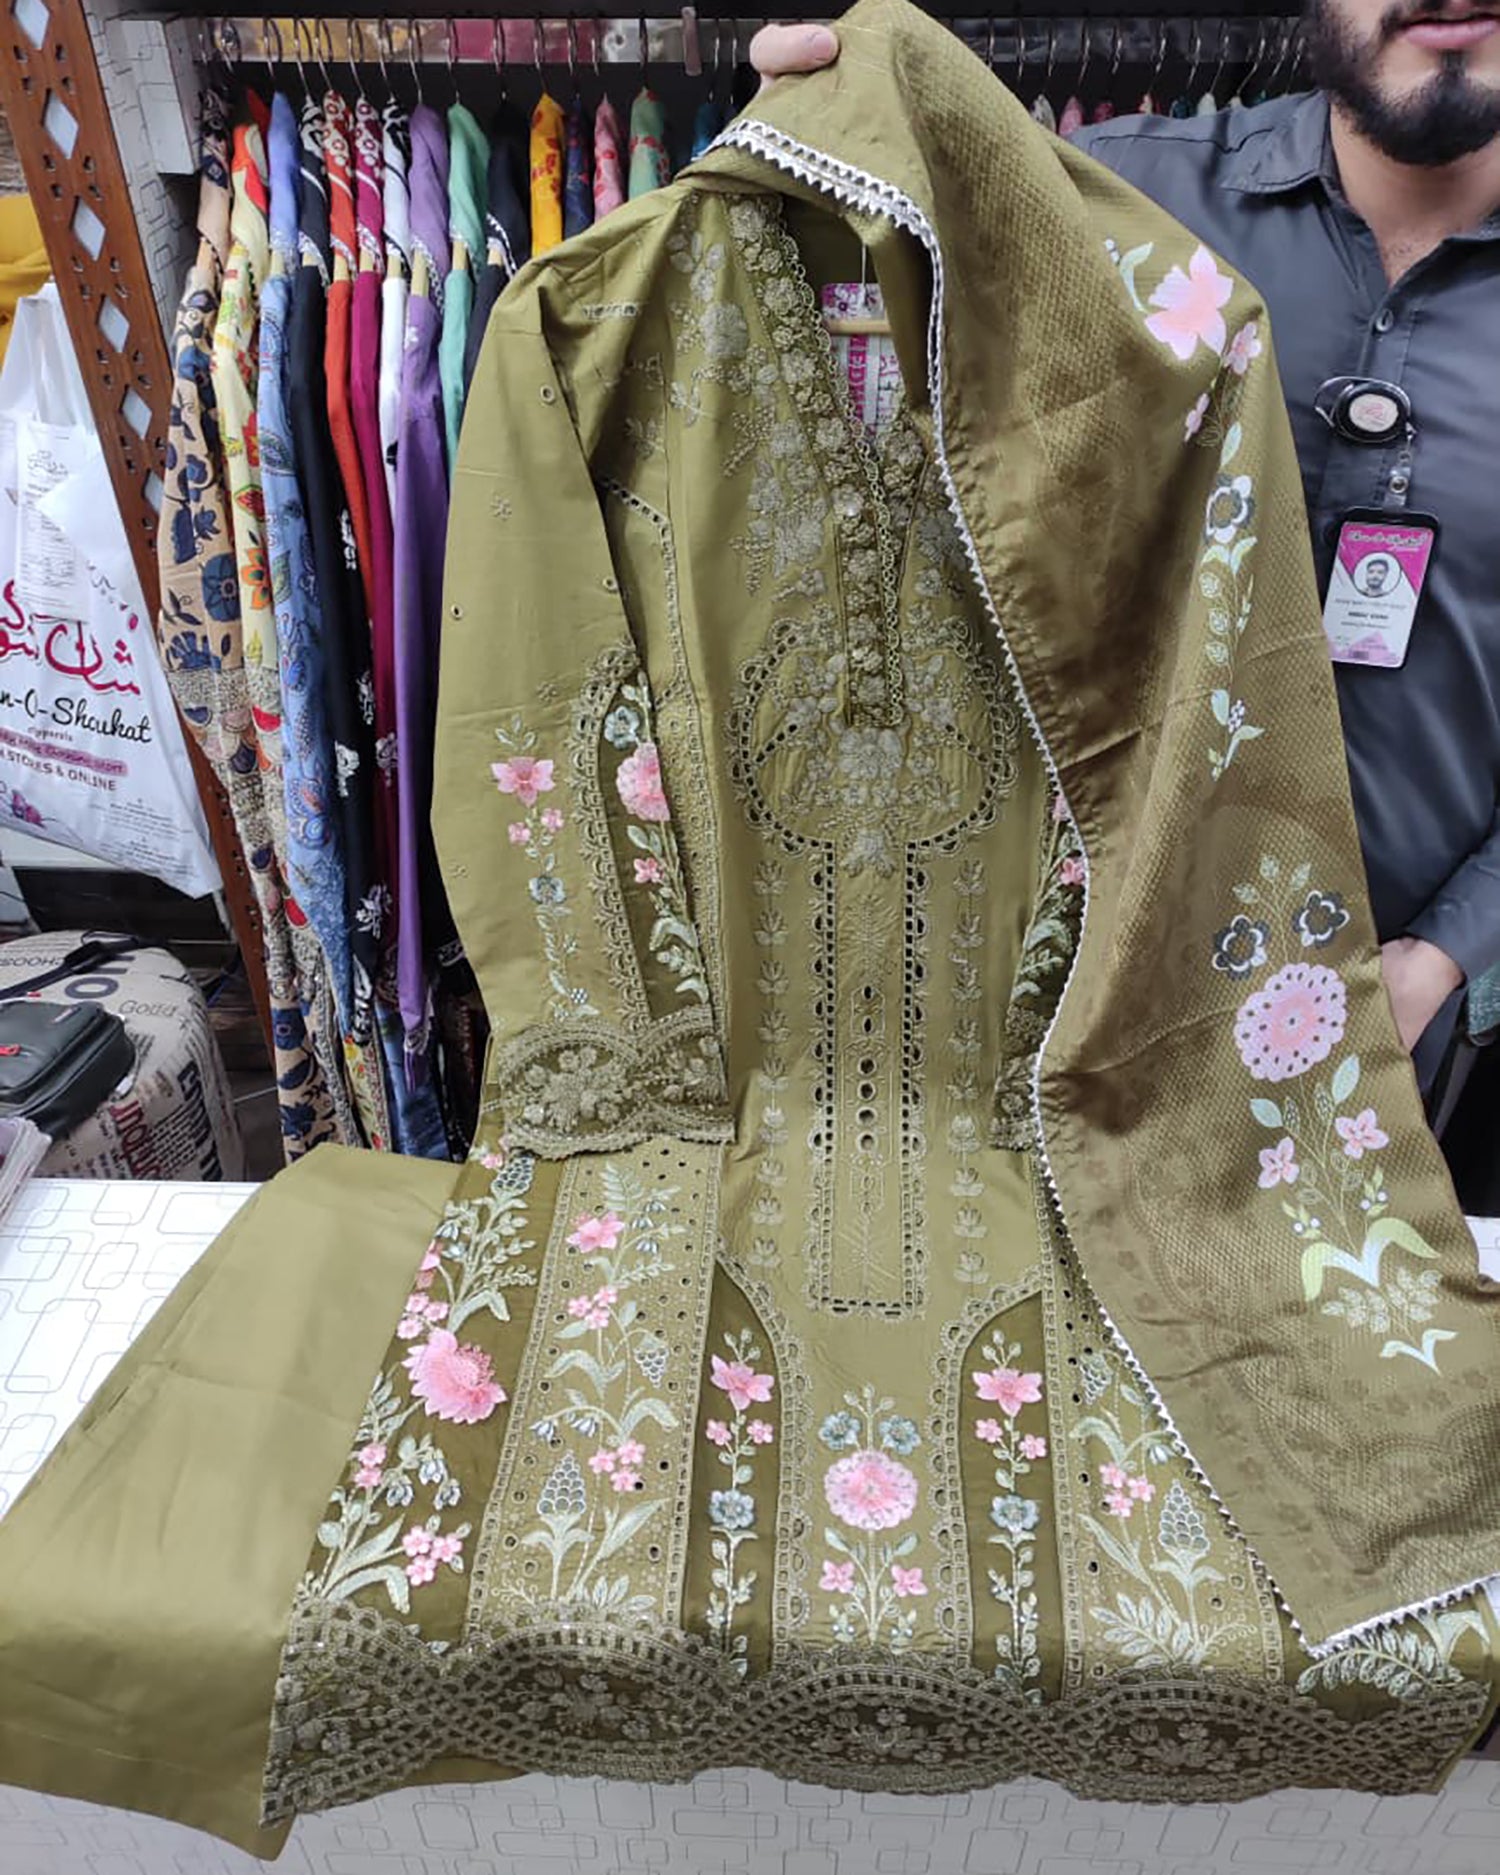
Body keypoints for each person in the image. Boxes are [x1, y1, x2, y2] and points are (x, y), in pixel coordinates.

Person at [749, 2, 1500, 1113]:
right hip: (1042, 1014)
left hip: (1393, 1050)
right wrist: (804, 151)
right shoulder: (1102, 202)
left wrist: (1443, 955)